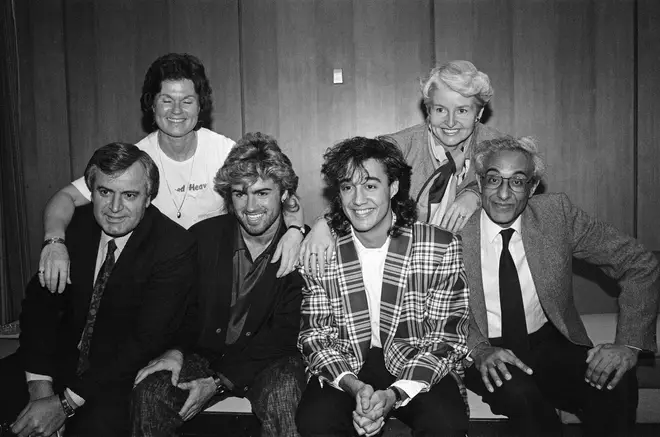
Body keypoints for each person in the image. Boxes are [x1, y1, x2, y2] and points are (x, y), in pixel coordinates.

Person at [40, 53, 304, 293]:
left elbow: (281, 195)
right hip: (156, 282)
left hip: (214, 281)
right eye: (167, 100)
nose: (177, 111)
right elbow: (64, 198)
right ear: (151, 105)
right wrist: (54, 243)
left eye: (187, 101)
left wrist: (295, 231)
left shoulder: (226, 152)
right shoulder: (135, 162)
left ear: (200, 106)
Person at [460, 136, 660, 436]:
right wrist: (477, 350)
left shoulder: (557, 215)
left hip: (547, 343)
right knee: (523, 398)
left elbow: (638, 263)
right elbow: (432, 303)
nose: (503, 193)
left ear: (533, 187)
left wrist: (628, 344)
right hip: (487, 349)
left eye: (517, 181)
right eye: (493, 179)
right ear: (479, 182)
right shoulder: (452, 229)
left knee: (614, 380)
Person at [0, 143, 197, 436]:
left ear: (148, 198)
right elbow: (37, 310)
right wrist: (40, 387)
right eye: (105, 192)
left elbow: (143, 342)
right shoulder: (73, 230)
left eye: (129, 195)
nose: (115, 208)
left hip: (116, 377)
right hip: (54, 363)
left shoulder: (173, 247)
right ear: (91, 192)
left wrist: (63, 405)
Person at [131, 133, 307, 437]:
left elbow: (286, 335)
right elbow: (182, 308)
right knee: (150, 392)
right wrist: (175, 350)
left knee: (283, 396)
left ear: (284, 194)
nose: (251, 206)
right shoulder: (203, 237)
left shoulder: (301, 247)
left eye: (263, 193)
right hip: (207, 355)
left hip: (271, 359)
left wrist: (217, 384)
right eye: (240, 194)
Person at [296, 136, 470, 437]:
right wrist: (353, 386)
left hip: (415, 357)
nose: (358, 200)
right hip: (347, 360)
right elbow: (314, 336)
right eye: (348, 187)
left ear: (393, 188)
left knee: (446, 424)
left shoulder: (439, 246)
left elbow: (446, 339)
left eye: (370, 186)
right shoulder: (322, 250)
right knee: (314, 421)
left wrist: (394, 395)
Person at [300, 60, 504, 275]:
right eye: (440, 110)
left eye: (462, 110)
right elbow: (355, 182)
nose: (450, 122)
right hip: (405, 267)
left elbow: (524, 188)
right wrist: (323, 223)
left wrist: (475, 193)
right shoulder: (396, 147)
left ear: (479, 114)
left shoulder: (500, 149)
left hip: (479, 265)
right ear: (428, 110)